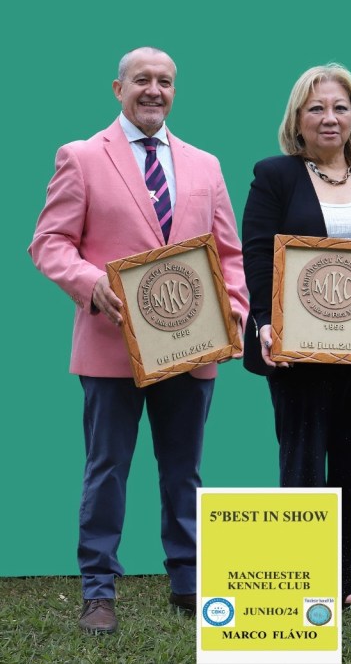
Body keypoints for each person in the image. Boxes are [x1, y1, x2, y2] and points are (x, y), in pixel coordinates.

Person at [28, 47, 248, 634]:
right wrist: (89, 283)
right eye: (143, 80)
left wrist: (234, 310)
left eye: (166, 81)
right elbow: (49, 243)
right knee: (106, 470)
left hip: (193, 347)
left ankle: (189, 580)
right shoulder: (81, 156)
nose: (155, 90)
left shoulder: (206, 164)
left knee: (184, 471)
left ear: (175, 91)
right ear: (118, 88)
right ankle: (98, 590)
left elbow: (228, 253)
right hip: (111, 346)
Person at [241, 63, 351, 610]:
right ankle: (307, 575)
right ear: (297, 119)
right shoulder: (275, 175)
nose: (329, 117)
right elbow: (257, 254)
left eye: (340, 107)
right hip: (298, 346)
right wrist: (266, 323)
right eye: (316, 108)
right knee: (303, 460)